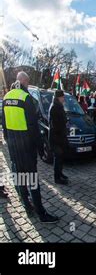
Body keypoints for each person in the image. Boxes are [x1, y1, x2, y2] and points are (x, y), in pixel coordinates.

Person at [2, 72, 58, 223]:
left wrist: (9, 141)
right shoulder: (26, 98)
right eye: (27, 82)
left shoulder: (6, 98)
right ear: (24, 82)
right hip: (27, 148)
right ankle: (41, 214)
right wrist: (41, 149)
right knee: (32, 180)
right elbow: (34, 128)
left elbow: (4, 125)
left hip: (14, 148)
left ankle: (27, 207)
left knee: (20, 178)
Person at [48, 90, 69, 185]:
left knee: (60, 157)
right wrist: (65, 121)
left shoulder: (58, 106)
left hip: (60, 136)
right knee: (58, 158)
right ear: (58, 97)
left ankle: (60, 173)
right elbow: (55, 125)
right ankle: (57, 178)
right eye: (62, 97)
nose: (63, 98)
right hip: (56, 137)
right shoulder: (55, 107)